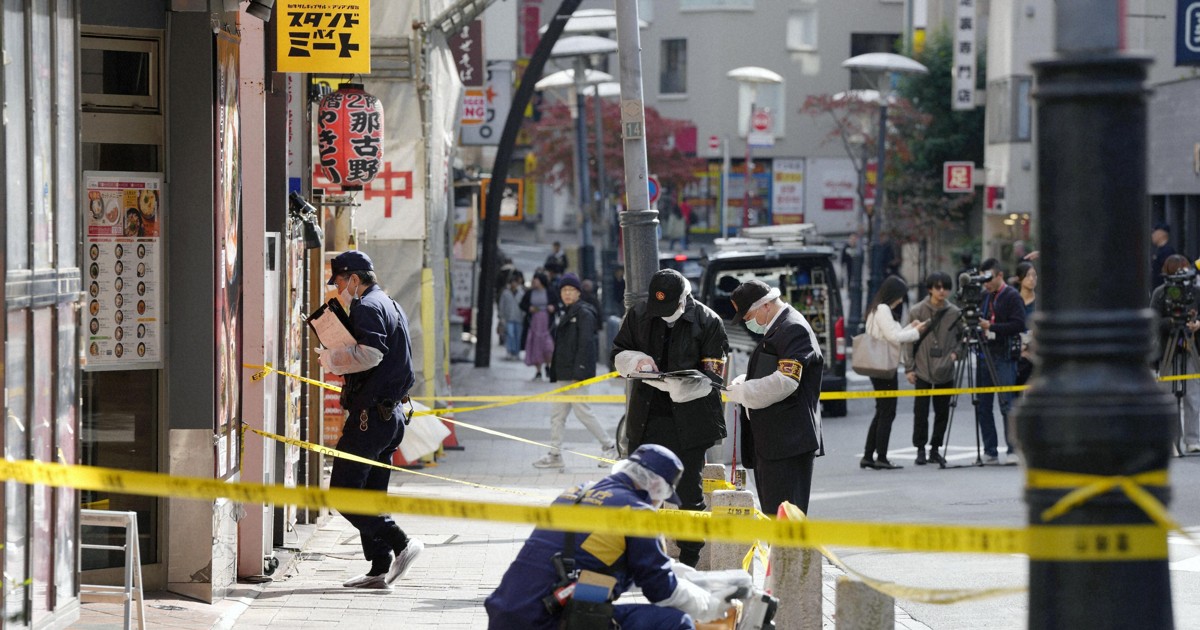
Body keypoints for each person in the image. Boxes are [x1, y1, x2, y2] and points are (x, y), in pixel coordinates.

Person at [485, 444, 730, 629]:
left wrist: (699, 580)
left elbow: (613, 563)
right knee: (675, 622)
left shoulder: (576, 494)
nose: (660, 504)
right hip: (546, 621)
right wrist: (718, 608)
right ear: (657, 487)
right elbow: (661, 590)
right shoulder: (637, 513)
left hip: (506, 615)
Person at [317, 250, 423, 590]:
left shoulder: (367, 306)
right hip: (389, 416)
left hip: (370, 418)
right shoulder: (390, 302)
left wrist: (332, 358)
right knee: (371, 496)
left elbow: (372, 354)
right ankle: (379, 567)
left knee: (345, 494)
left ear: (354, 278)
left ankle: (402, 543)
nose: (339, 290)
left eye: (341, 282)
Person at [611, 269, 729, 567]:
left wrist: (683, 384)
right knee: (639, 489)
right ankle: (639, 555)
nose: (662, 314)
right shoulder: (640, 314)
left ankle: (690, 557)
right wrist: (635, 360)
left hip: (690, 421)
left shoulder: (708, 321)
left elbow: (714, 375)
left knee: (689, 492)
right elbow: (618, 350)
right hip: (647, 418)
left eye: (669, 308)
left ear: (683, 300)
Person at [724, 279, 824, 514]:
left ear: (765, 305)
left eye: (748, 316)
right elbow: (773, 369)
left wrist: (745, 392)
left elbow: (786, 381)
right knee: (775, 515)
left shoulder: (792, 328)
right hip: (776, 442)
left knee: (784, 518)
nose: (748, 322)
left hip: (787, 443)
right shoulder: (780, 327)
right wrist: (746, 381)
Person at [534, 273, 619, 469]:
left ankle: (610, 446)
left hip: (575, 375)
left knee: (583, 413)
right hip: (564, 373)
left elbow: (586, 345)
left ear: (578, 293)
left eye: (571, 290)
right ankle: (555, 454)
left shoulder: (583, 313)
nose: (567, 294)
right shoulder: (569, 312)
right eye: (564, 290)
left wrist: (579, 373)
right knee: (557, 415)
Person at [860, 276, 924, 470]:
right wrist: (916, 333)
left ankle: (869, 455)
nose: (901, 301)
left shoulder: (875, 308)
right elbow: (893, 337)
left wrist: (910, 328)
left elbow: (890, 334)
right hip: (884, 366)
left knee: (881, 410)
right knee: (888, 411)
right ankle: (881, 456)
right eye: (901, 296)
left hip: (877, 364)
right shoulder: (884, 309)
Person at [904, 272, 963, 467]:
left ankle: (935, 449)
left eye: (945, 287)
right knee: (920, 412)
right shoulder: (917, 310)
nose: (942, 291)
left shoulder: (955, 312)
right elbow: (909, 340)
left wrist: (956, 354)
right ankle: (920, 449)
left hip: (945, 369)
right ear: (929, 289)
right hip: (922, 367)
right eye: (937, 287)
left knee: (942, 412)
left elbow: (963, 338)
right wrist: (909, 368)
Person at [974, 258, 1027, 464]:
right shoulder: (983, 297)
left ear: (999, 275)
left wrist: (992, 327)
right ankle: (990, 449)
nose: (985, 283)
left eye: (989, 278)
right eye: (983, 279)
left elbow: (1018, 324)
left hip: (1004, 355)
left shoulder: (1012, 296)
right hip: (984, 354)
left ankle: (1012, 448)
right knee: (983, 405)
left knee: (1007, 403)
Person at [1150, 254, 1200, 453]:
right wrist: (1171, 322)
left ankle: (1193, 439)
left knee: (1193, 395)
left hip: (1191, 347)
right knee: (1168, 395)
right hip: (1167, 347)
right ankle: (1171, 439)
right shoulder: (1161, 293)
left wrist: (1197, 324)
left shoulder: (1195, 292)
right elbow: (1153, 320)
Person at [522, 273, 556, 380]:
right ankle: (538, 371)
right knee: (536, 346)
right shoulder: (530, 293)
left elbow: (557, 304)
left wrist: (553, 308)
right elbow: (522, 304)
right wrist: (529, 308)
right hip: (534, 323)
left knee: (549, 347)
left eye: (536, 281)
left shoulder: (550, 292)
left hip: (547, 323)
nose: (534, 283)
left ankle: (548, 365)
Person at [1013, 262, 1037, 386]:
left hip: (1035, 354)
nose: (1032, 279)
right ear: (1019, 279)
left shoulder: (1040, 302)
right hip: (1017, 353)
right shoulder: (1013, 300)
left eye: (1034, 275)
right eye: (1028, 275)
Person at [499, 275, 525, 361]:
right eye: (512, 282)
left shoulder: (521, 293)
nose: (514, 284)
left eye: (515, 282)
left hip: (519, 318)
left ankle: (516, 352)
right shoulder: (505, 293)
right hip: (508, 317)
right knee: (510, 334)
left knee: (518, 336)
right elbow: (501, 305)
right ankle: (509, 351)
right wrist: (501, 316)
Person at [1151, 223, 1175, 291]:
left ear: (1161, 234)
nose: (1152, 235)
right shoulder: (1159, 251)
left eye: (1154, 232)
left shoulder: (1167, 252)